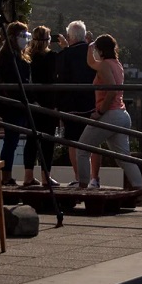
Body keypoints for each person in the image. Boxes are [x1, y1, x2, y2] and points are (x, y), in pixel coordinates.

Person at [78, 34, 142, 204]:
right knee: (124, 158)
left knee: (81, 149)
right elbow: (90, 63)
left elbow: (112, 91)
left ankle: (82, 190)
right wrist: (90, 46)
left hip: (109, 114)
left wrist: (100, 112)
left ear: (100, 50)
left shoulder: (104, 66)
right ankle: (141, 193)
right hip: (122, 114)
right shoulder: (117, 64)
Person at [55, 20, 101, 187]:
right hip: (93, 103)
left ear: (69, 37)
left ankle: (79, 178)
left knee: (73, 142)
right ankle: (94, 178)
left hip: (71, 106)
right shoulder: (93, 53)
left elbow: (59, 79)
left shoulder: (65, 55)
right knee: (94, 143)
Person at [0, 21, 38, 186]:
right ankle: (6, 176)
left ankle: (10, 175)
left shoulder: (21, 57)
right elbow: (9, 81)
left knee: (20, 139)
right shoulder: (7, 57)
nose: (25, 39)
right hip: (12, 105)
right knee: (11, 141)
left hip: (22, 103)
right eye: (22, 36)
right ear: (12, 37)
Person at [27, 25, 61, 187]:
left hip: (32, 103)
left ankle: (28, 176)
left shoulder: (28, 56)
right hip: (48, 104)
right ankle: (46, 177)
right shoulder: (52, 56)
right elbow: (55, 79)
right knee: (47, 142)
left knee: (31, 139)